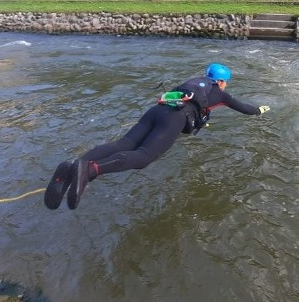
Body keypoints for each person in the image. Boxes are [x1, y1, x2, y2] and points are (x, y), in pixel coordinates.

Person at [44, 63, 270, 210]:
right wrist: (261, 110)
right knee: (143, 157)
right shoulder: (220, 93)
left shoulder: (192, 82)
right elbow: (245, 108)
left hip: (157, 110)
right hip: (175, 118)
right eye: (225, 82)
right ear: (221, 81)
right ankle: (91, 170)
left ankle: (78, 163)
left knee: (124, 143)